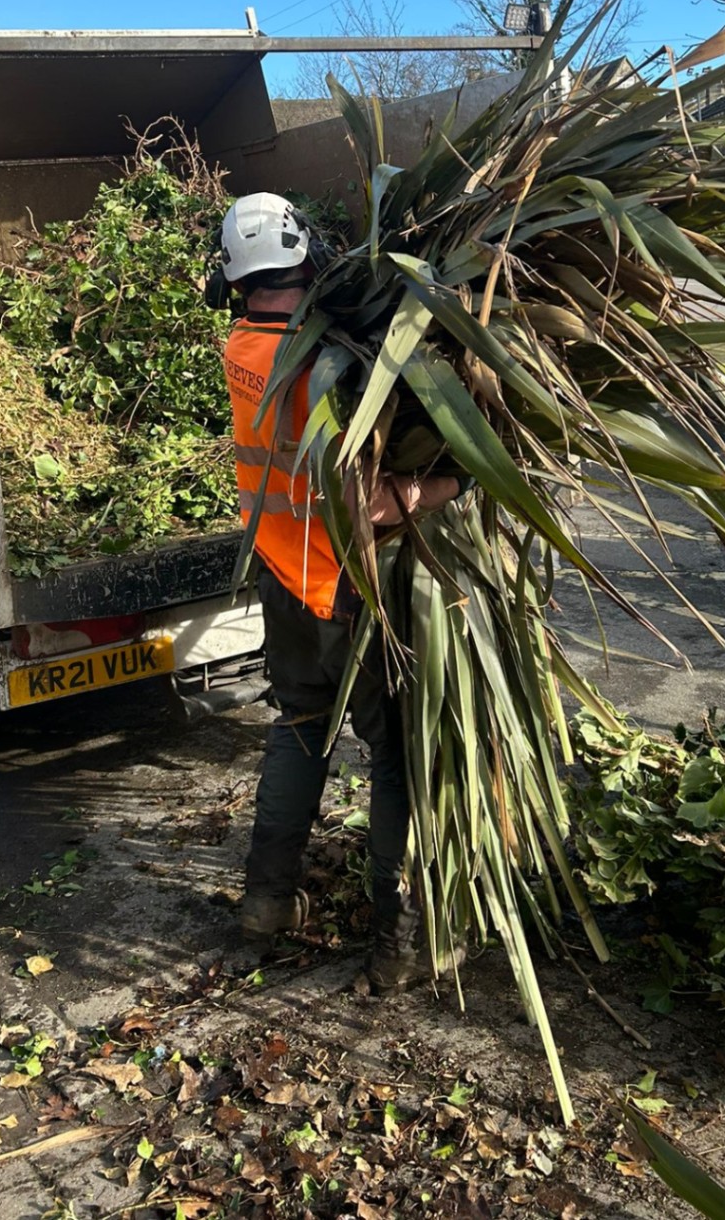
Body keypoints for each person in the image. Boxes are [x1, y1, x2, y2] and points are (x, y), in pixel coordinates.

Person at [218, 192, 461, 993]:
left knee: (297, 733)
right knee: (392, 759)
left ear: (234, 276)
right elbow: (376, 502)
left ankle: (262, 909)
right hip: (355, 586)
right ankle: (394, 948)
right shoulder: (339, 365)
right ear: (306, 254)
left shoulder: (242, 348)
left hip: (285, 580)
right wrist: (445, 485)